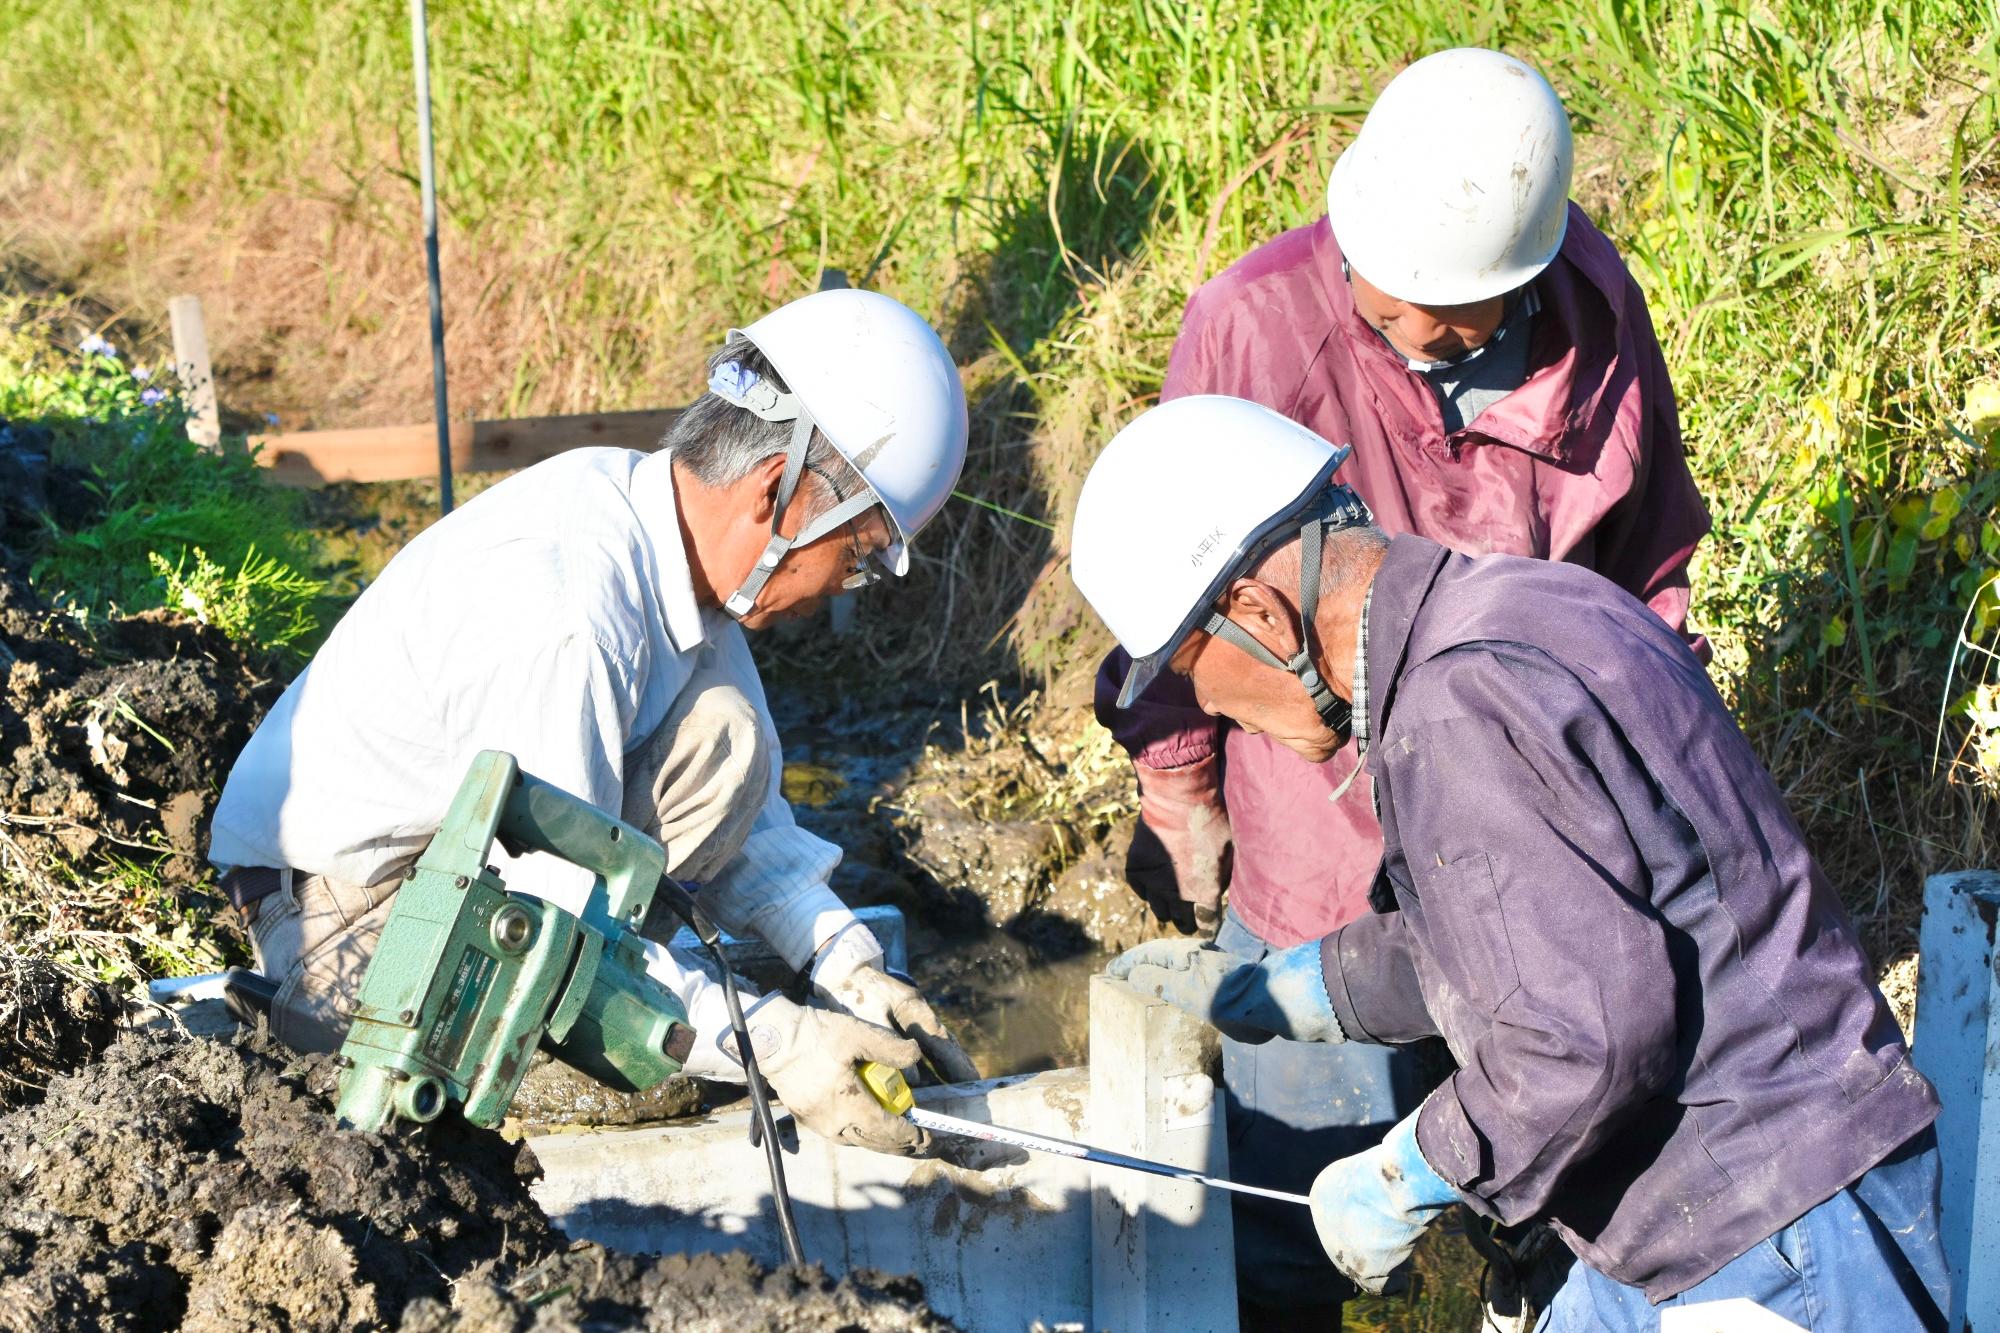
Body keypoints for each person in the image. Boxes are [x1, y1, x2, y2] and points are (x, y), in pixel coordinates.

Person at [1072, 395, 1949, 1331]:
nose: (1228, 721)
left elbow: (1580, 1040)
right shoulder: (1527, 604)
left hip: (1763, 1227)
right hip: (1743, 1183)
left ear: (1259, 613)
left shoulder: (1455, 708)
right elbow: (1535, 924)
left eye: (1201, 686)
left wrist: (1407, 1171)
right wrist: (1294, 989)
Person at [1092, 46, 1711, 1323]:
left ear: (1513, 288)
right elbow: (1177, 585)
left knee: (1556, 1148)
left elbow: (1648, 552)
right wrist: (1177, 795)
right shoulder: (1252, 321)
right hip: (1319, 828)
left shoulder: (1587, 309)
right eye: (1372, 294)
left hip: (1537, 823)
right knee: (1287, 1198)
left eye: (1430, 312)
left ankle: (1510, 1289)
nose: (1393, 319)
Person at [209, 288, 980, 1157]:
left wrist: (848, 964)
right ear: (778, 494)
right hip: (344, 906)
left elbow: (753, 819)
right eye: (859, 558)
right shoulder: (571, 609)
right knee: (643, 1080)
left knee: (726, 737)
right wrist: (779, 1045)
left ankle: (625, 1005)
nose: (847, 586)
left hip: (462, 859)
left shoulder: (663, 534)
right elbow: (548, 917)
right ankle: (333, 1026)